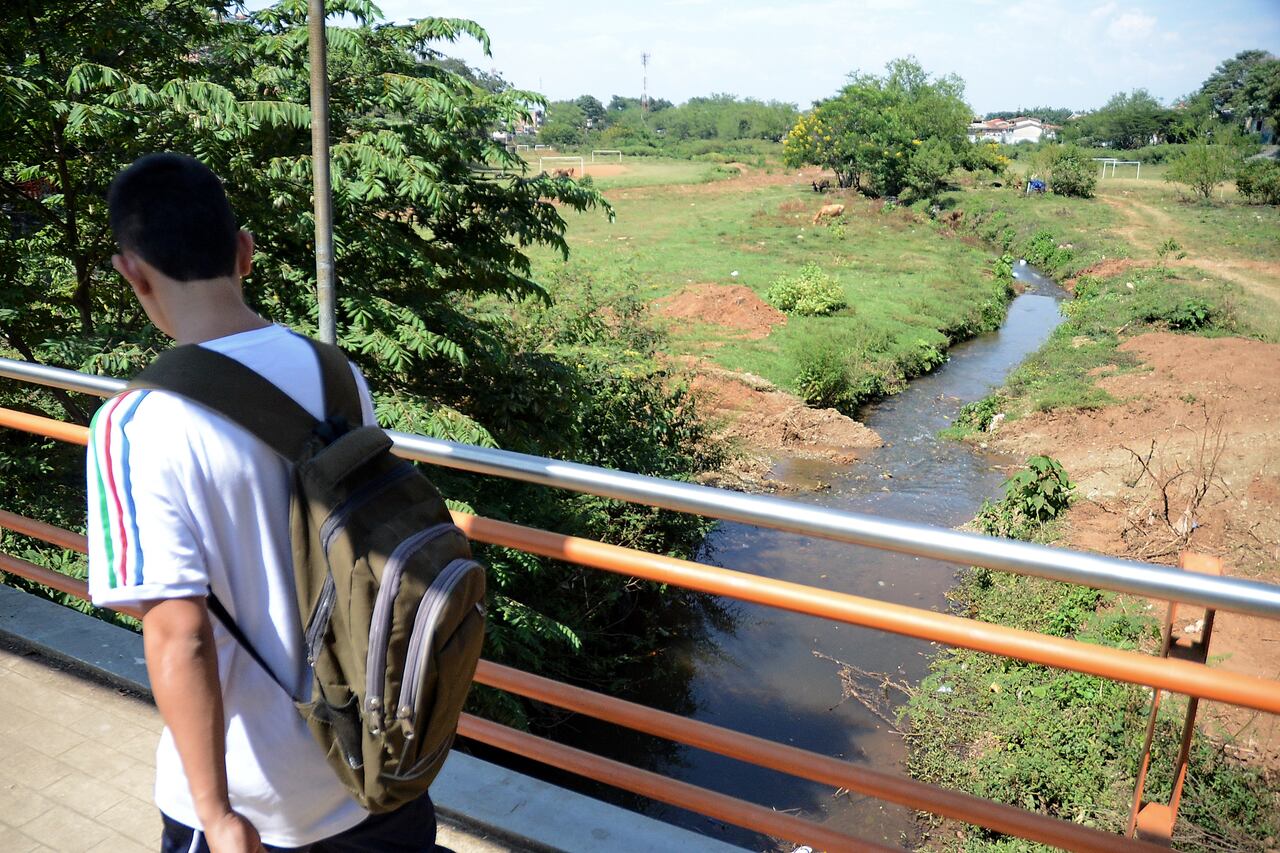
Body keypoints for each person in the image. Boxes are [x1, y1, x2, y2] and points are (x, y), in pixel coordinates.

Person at [87, 153, 437, 852]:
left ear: (132, 271)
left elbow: (177, 631)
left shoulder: (134, 424)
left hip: (255, 804)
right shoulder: (336, 373)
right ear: (243, 251)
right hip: (376, 765)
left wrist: (215, 815)